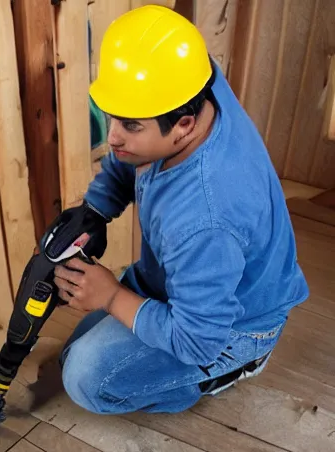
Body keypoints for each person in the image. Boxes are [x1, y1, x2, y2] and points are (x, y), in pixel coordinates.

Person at [51, 5, 309, 414]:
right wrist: (96, 211)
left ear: (185, 124)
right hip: (184, 283)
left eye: (130, 125)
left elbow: (197, 339)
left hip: (233, 325)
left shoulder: (207, 214)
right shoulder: (189, 78)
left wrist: (112, 295)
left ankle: (232, 366)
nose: (112, 138)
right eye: (111, 117)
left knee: (85, 379)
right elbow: (129, 149)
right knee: (72, 349)